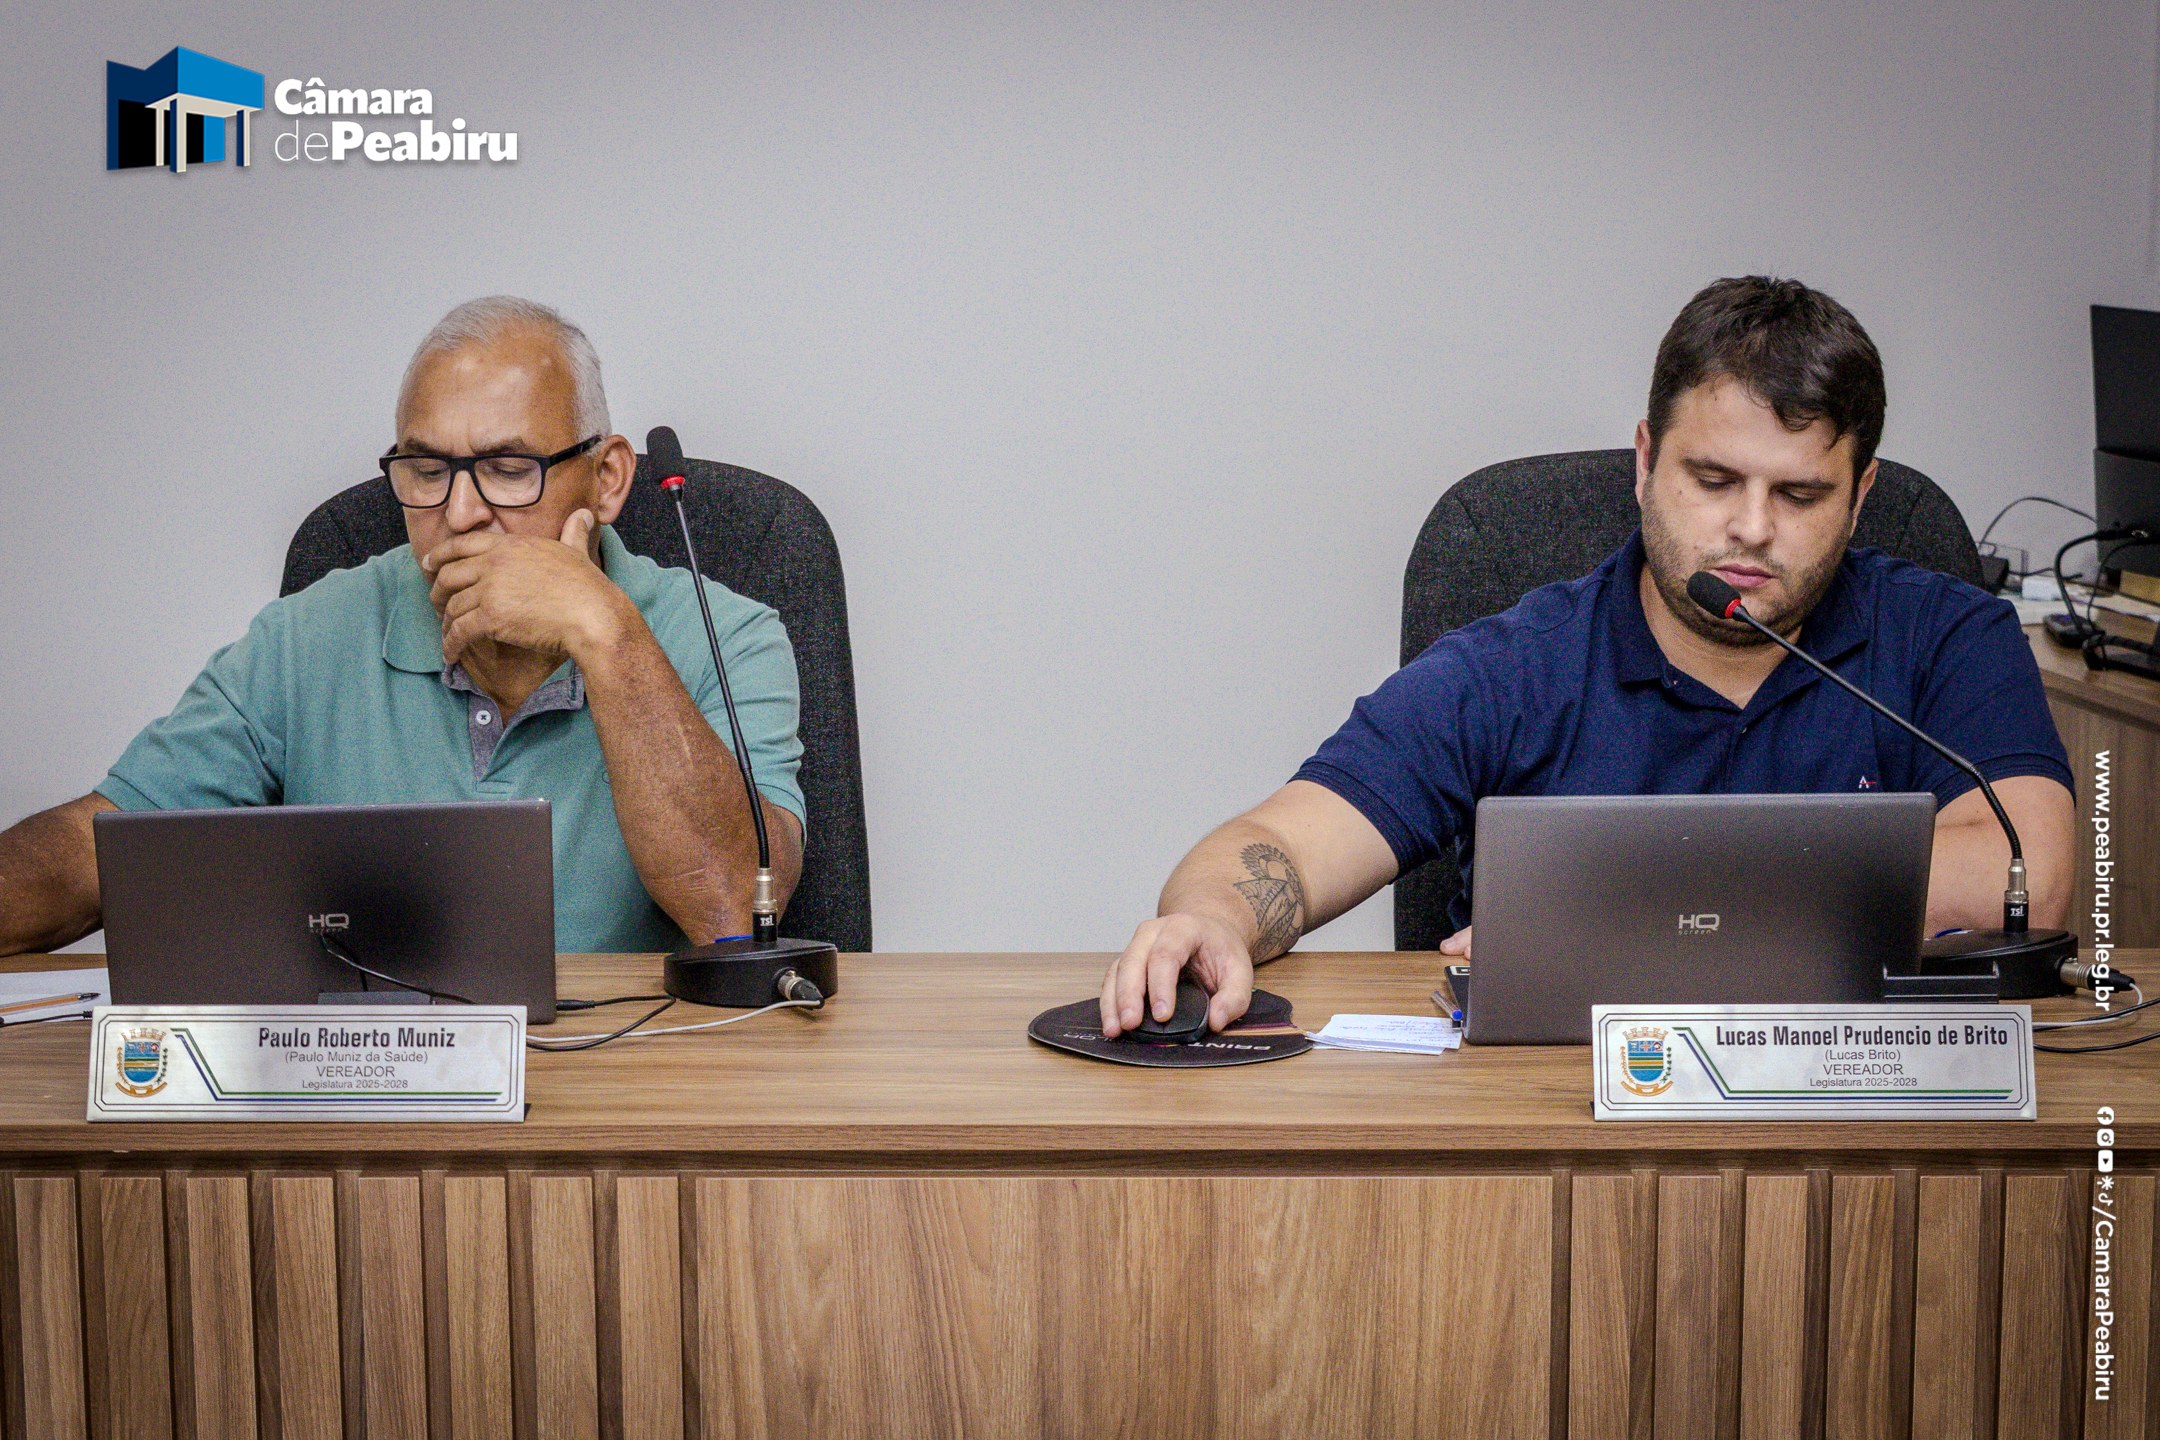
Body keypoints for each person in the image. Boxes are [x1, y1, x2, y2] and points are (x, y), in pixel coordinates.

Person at [1102, 275, 2076, 1037]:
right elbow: (1276, 848)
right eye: (1713, 479)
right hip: (1558, 1127)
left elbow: (2028, 880)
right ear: (1646, 461)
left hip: (1855, 1120)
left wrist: (1638, 928)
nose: (1751, 528)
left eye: (1799, 494)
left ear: (1860, 498)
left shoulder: (1950, 636)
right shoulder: (1515, 666)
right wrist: (1212, 919)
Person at [0, 296, 805, 955]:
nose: (460, 513)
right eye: (426, 470)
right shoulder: (305, 638)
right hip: (369, 1076)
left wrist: (606, 631)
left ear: (607, 478)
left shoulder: (732, 636)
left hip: (631, 1083)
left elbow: (734, 909)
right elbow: (94, 854)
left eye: (508, 470)